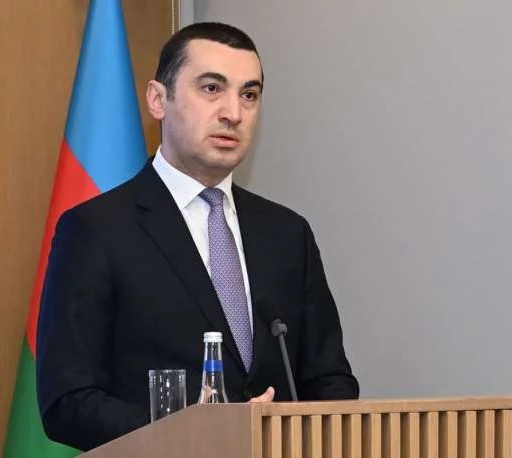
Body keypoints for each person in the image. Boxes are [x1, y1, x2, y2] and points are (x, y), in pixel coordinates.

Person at [36, 22, 359, 452]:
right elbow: (68, 402)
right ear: (158, 100)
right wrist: (194, 434)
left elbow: (330, 380)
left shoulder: (287, 233)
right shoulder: (96, 230)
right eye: (211, 88)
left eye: (249, 94)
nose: (233, 113)